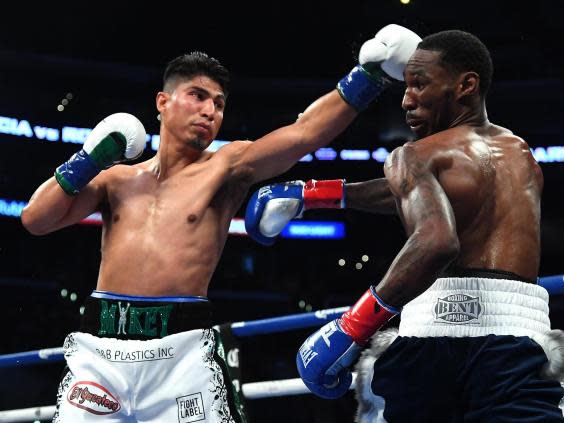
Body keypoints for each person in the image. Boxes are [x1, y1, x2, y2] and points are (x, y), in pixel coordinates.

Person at [20, 25, 421, 422]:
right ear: (163, 101)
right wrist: (88, 158)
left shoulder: (227, 167)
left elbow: (304, 134)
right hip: (100, 353)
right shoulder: (114, 179)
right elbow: (36, 219)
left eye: (219, 103)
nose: (209, 111)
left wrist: (368, 77)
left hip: (181, 356)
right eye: (197, 96)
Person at [244, 30, 564, 422]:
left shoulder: (412, 156)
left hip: (434, 343)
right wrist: (315, 194)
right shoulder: (520, 154)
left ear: (466, 85)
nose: (406, 99)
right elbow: (421, 192)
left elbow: (435, 240)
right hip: (522, 342)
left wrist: (351, 328)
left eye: (419, 84)